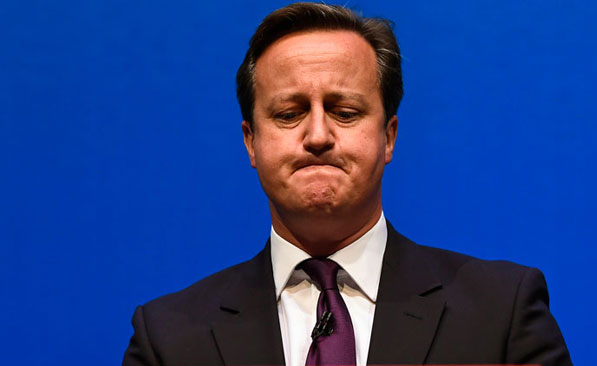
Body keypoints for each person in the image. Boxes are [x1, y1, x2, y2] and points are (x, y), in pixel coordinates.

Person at [122, 2, 572, 366]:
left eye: (345, 112)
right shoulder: (169, 339)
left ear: (388, 136)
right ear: (251, 142)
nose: (317, 135)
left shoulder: (500, 314)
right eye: (288, 114)